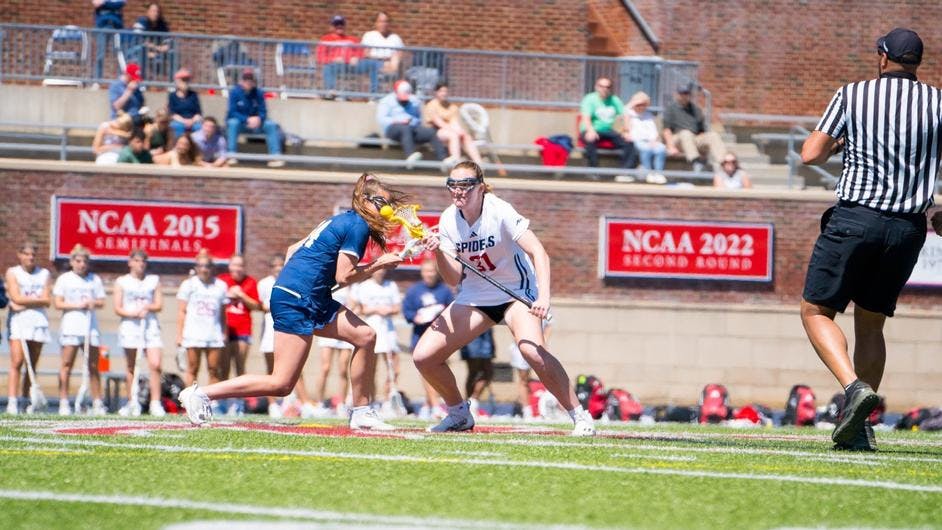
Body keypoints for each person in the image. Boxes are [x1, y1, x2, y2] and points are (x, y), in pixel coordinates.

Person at [799, 28, 942, 452]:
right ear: (917, 62)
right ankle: (859, 428)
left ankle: (853, 389)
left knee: (815, 310)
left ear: (882, 57)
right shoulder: (938, 102)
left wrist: (842, 142)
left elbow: (810, 154)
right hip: (907, 228)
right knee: (871, 323)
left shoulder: (853, 94)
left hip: (856, 219)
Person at [178, 173, 407, 431]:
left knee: (365, 336)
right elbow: (344, 275)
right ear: (363, 200)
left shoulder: (342, 220)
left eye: (387, 205)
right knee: (282, 384)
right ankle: (200, 394)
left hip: (309, 297)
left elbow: (292, 250)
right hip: (298, 300)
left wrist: (299, 281)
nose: (385, 210)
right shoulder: (358, 225)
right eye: (380, 202)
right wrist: (378, 264)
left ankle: (361, 411)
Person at [413, 161, 595, 435]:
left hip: (517, 292)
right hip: (476, 295)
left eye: (465, 185)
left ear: (481, 187)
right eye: (452, 185)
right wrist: (438, 251)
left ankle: (579, 415)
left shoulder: (499, 210)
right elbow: (452, 279)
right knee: (424, 356)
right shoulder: (449, 219)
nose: (458, 191)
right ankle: (459, 414)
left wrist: (543, 296)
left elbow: (539, 253)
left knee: (532, 351)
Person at [53, 244, 107, 416]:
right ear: (72, 261)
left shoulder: (94, 279)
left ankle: (97, 402)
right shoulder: (64, 279)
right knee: (66, 365)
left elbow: (101, 301)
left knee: (93, 366)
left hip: (90, 328)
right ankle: (63, 402)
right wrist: (77, 305)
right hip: (71, 326)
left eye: (84, 261)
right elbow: (58, 303)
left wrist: (93, 303)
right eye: (78, 261)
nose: (81, 264)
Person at [113, 249, 165, 417]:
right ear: (130, 262)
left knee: (155, 365)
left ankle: (155, 403)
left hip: (150, 326)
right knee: (131, 366)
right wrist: (132, 313)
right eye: (136, 260)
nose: (140, 264)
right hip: (130, 327)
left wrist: (147, 307)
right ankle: (132, 401)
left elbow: (158, 305)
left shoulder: (153, 280)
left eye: (143, 261)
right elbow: (117, 308)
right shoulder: (122, 281)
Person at [401, 258, 453, 420]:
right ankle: (435, 405)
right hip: (420, 335)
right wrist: (415, 317)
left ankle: (435, 404)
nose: (429, 274)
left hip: (441, 336)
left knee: (441, 369)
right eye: (426, 271)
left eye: (432, 271)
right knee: (425, 370)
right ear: (422, 272)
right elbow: (407, 312)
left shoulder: (444, 291)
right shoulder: (414, 290)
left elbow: (452, 311)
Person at [5, 243, 52, 415]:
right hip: (19, 322)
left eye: (33, 254)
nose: (30, 258)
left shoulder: (44, 273)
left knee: (32, 365)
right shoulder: (13, 272)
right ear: (20, 255)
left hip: (38, 322)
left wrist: (24, 302)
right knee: (16, 361)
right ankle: (12, 401)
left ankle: (26, 400)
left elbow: (47, 299)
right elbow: (15, 296)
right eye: (27, 254)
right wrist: (35, 300)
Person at [176, 251, 228, 398]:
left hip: (213, 332)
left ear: (212, 268)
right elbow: (181, 311)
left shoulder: (220, 286)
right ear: (196, 268)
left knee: (214, 369)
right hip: (193, 333)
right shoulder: (188, 284)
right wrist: (179, 335)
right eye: (201, 266)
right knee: (192, 368)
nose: (204, 269)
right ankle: (190, 401)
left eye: (207, 266)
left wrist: (224, 332)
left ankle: (211, 402)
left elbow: (223, 313)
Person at [349, 268, 401, 403]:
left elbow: (397, 308)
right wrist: (376, 309)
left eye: (383, 269)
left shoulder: (391, 285)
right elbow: (359, 308)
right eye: (378, 269)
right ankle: (370, 401)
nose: (380, 272)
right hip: (371, 327)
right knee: (370, 369)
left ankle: (388, 399)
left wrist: (388, 310)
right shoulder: (363, 286)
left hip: (388, 330)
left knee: (394, 367)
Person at [579, 77, 638, 179]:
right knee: (591, 139)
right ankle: (593, 171)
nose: (604, 89)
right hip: (590, 129)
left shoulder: (614, 100)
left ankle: (625, 172)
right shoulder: (589, 99)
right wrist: (590, 131)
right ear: (596, 87)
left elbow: (625, 115)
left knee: (629, 142)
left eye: (607, 87)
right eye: (601, 86)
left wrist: (626, 131)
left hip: (607, 131)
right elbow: (586, 118)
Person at [377, 80, 446, 167]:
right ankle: (410, 156)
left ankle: (443, 160)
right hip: (392, 129)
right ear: (396, 93)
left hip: (412, 128)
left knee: (431, 132)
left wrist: (412, 121)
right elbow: (382, 119)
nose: (405, 100)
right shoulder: (386, 101)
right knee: (405, 128)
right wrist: (398, 121)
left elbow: (418, 118)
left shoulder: (414, 101)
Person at [662, 83, 727, 172]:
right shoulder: (671, 109)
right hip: (677, 139)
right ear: (677, 94)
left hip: (693, 139)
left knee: (713, 135)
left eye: (686, 93)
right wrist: (670, 146)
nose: (684, 96)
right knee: (686, 133)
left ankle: (725, 164)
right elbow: (666, 130)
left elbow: (702, 131)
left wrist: (703, 144)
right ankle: (696, 163)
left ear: (690, 95)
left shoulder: (696, 110)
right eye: (682, 93)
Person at [226, 68, 285, 168]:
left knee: (270, 124)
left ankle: (275, 157)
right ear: (241, 81)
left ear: (254, 81)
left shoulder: (259, 93)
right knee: (232, 123)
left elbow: (263, 111)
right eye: (245, 79)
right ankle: (231, 155)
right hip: (242, 124)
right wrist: (246, 119)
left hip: (257, 124)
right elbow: (232, 112)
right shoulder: (234, 93)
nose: (248, 82)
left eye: (250, 79)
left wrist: (259, 119)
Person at [218, 254, 261, 386]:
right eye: (234, 264)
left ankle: (239, 401)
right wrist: (228, 294)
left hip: (243, 330)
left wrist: (242, 295)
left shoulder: (251, 282)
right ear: (229, 266)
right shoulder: (221, 281)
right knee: (223, 367)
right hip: (225, 329)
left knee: (240, 365)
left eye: (240, 265)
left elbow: (257, 306)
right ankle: (222, 402)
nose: (237, 268)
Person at [312, 285, 355, 417]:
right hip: (327, 326)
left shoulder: (350, 286)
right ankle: (319, 403)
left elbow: (354, 305)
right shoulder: (328, 283)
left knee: (343, 369)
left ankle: (341, 405)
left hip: (344, 328)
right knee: (325, 368)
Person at [424, 82, 484, 166]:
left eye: (446, 91)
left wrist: (460, 131)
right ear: (436, 92)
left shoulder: (452, 107)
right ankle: (456, 161)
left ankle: (479, 163)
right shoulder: (431, 105)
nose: (444, 93)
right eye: (441, 91)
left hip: (449, 130)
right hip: (434, 132)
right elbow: (439, 123)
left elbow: (454, 122)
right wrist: (456, 131)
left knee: (466, 136)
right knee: (453, 135)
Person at [316, 15, 376, 95]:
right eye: (336, 24)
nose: (339, 26)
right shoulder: (326, 39)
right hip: (336, 66)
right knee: (328, 67)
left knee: (373, 64)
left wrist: (356, 57)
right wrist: (333, 59)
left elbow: (361, 52)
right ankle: (331, 91)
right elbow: (320, 57)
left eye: (341, 24)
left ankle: (374, 95)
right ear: (332, 26)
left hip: (352, 65)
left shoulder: (352, 39)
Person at [509, 315, 552, 419]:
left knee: (548, 377)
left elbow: (548, 325)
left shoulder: (542, 302)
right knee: (524, 379)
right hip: (521, 346)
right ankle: (527, 410)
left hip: (539, 347)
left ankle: (546, 408)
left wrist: (543, 343)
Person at [625, 91, 667, 184]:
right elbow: (624, 110)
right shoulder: (630, 114)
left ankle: (658, 173)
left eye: (643, 104)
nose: (641, 107)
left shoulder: (649, 115)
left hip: (650, 140)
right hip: (637, 140)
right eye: (638, 104)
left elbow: (653, 130)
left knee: (661, 149)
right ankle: (648, 172)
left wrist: (653, 140)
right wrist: (634, 102)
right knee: (646, 149)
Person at [131, 2, 173, 80]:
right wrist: (154, 49)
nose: (155, 14)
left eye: (157, 11)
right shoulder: (141, 22)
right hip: (136, 51)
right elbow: (139, 40)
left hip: (156, 53)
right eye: (153, 11)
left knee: (172, 52)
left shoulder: (162, 25)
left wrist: (156, 48)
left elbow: (167, 44)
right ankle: (141, 81)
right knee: (141, 49)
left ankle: (172, 83)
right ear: (148, 12)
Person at [360, 12, 404, 84]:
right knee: (377, 64)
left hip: (391, 63)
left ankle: (391, 73)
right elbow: (365, 54)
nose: (383, 24)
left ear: (389, 23)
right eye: (381, 21)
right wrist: (382, 59)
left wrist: (392, 59)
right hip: (375, 64)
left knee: (395, 58)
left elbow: (401, 54)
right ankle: (390, 72)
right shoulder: (369, 35)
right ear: (376, 23)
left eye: (386, 22)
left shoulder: (396, 38)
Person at [460, 329, 494, 417]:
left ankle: (470, 403)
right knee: (477, 371)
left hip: (482, 330)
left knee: (484, 372)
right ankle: (471, 403)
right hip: (472, 330)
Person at [92, 0, 126, 81]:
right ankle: (97, 80)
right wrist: (112, 5)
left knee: (119, 54)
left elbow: (121, 4)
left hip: (117, 27)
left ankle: (121, 80)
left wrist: (104, 3)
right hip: (102, 27)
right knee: (100, 54)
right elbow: (95, 3)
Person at [168, 68, 203, 138]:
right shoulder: (172, 96)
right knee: (176, 126)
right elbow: (172, 114)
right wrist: (184, 121)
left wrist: (192, 121)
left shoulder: (193, 95)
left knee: (199, 127)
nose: (185, 82)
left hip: (193, 121)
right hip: (179, 121)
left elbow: (198, 113)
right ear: (177, 81)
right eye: (183, 80)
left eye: (187, 80)